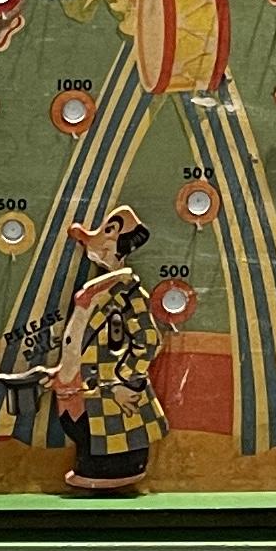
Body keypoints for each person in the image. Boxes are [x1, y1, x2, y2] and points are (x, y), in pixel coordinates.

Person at [47, 206, 165, 495]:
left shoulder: (128, 293)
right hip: (80, 383)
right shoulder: (99, 289)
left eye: (107, 232)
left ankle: (113, 470)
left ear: (114, 244)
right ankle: (89, 467)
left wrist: (126, 381)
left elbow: (149, 340)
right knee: (82, 428)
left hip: (108, 387)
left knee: (110, 434)